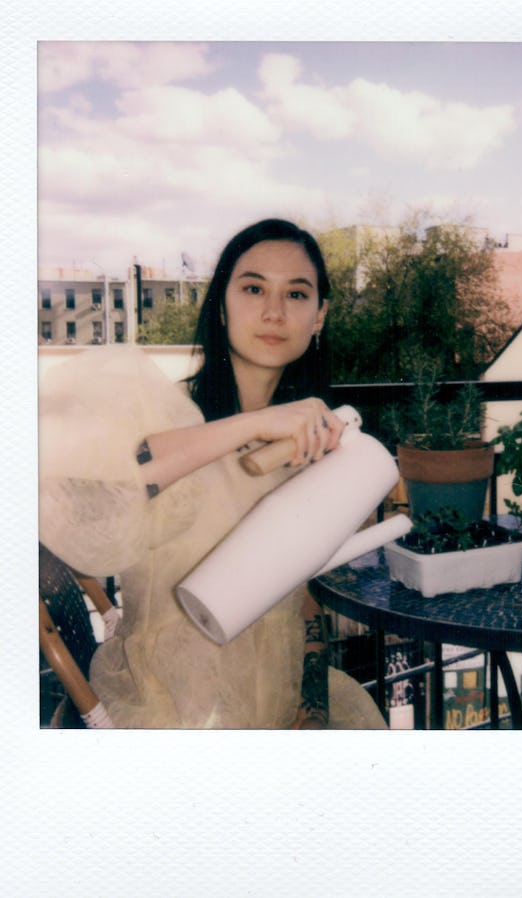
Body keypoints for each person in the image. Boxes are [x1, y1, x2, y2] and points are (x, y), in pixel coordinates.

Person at [39, 218, 387, 729]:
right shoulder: (162, 415)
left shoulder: (316, 447)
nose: (273, 311)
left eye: (296, 293)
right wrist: (256, 422)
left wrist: (310, 711)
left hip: (278, 695)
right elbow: (87, 497)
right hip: (170, 706)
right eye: (252, 288)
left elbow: (305, 602)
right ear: (221, 304)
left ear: (319, 317)